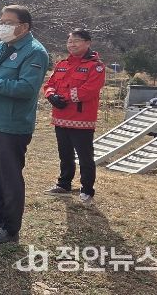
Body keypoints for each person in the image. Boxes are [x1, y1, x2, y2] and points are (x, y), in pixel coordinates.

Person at [0, 4, 49, 244]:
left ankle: (11, 229)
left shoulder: (35, 52)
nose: (2, 26)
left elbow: (26, 88)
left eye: (8, 23)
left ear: (23, 27)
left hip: (12, 125)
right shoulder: (1, 46)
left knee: (9, 177)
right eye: (1, 22)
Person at [42, 29, 105, 204]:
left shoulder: (96, 66)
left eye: (76, 41)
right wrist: (51, 96)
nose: (72, 44)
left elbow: (89, 90)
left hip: (82, 120)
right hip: (60, 117)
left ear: (87, 43)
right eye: (70, 41)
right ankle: (64, 185)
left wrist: (64, 97)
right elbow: (49, 84)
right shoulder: (62, 64)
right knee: (65, 154)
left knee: (85, 157)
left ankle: (87, 190)